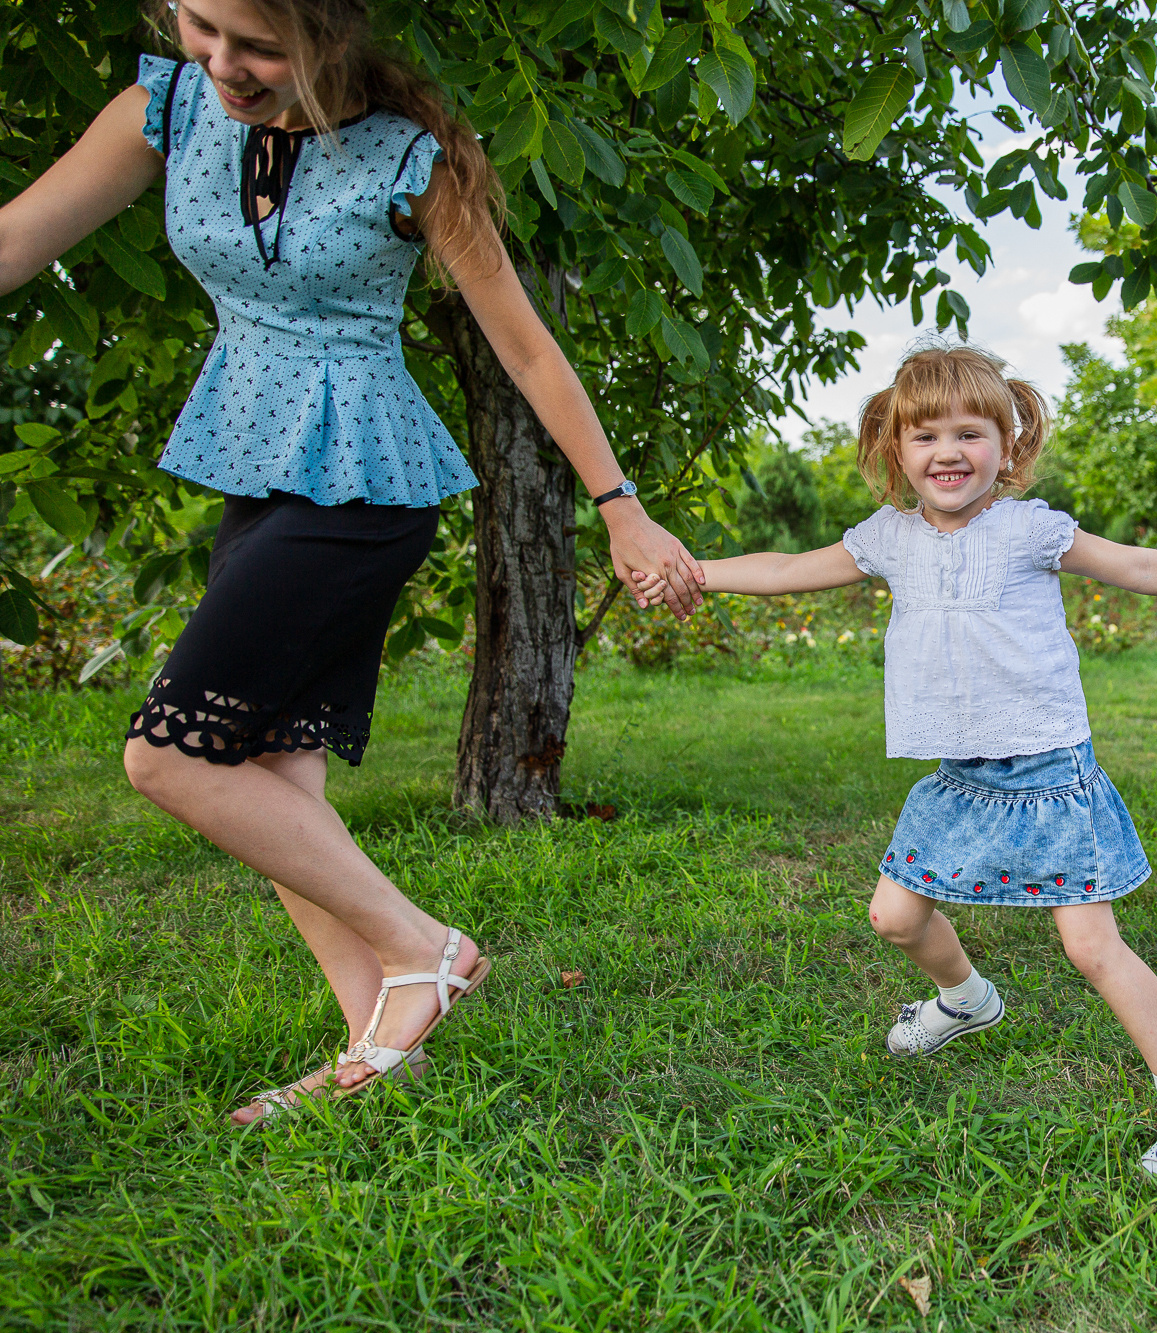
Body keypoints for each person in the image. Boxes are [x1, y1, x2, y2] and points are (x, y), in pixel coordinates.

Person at [0, 0, 704, 1123]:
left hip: (367, 482)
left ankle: (425, 948)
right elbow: (14, 238)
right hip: (258, 469)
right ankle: (377, 1048)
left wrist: (620, 507)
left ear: (328, 35)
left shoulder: (414, 155)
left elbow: (524, 343)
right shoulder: (162, 108)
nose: (222, 62)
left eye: (257, 43)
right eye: (198, 24)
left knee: (169, 756)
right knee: (277, 778)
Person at [693, 343, 1157, 1179]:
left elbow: (1138, 564)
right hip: (961, 777)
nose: (947, 452)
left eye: (970, 433)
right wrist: (695, 572)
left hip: (1048, 773)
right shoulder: (889, 539)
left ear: (1007, 447)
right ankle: (968, 1000)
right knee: (895, 917)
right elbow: (789, 567)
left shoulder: (1028, 530)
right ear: (896, 451)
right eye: (925, 435)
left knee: (1091, 947)